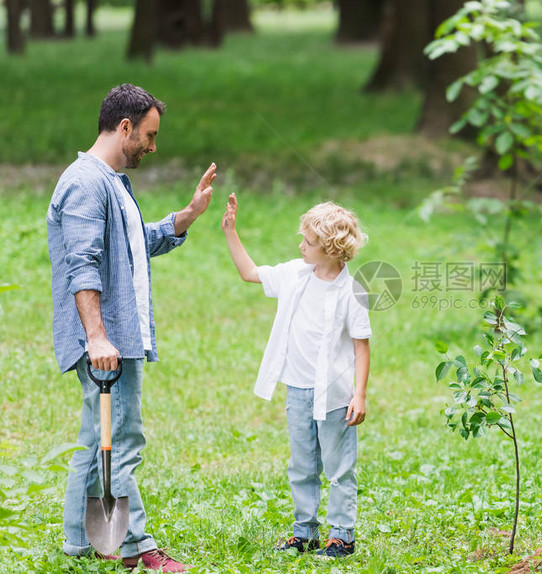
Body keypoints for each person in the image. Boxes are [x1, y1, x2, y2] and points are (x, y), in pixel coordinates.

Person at [47, 83, 217, 572]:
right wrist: (99, 337)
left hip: (117, 336)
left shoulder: (112, 183)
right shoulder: (86, 183)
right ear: (125, 127)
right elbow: (83, 263)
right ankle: (136, 547)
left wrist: (184, 218)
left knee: (94, 437)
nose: (152, 146)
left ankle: (80, 543)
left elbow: (132, 244)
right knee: (123, 441)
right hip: (107, 339)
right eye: (149, 134)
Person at [221, 193, 371, 558]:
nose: (300, 245)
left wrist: (360, 394)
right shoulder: (294, 274)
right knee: (302, 466)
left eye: (308, 241)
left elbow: (361, 346)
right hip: (298, 392)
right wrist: (230, 231)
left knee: (339, 468)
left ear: (331, 249)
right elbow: (249, 273)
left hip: (335, 396)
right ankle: (304, 532)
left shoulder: (352, 291)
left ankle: (342, 536)